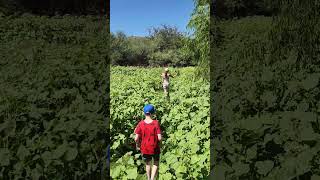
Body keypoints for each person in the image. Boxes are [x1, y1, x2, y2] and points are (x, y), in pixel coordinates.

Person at [134, 104, 162, 180]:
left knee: (148, 164)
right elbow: (159, 138)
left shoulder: (140, 124)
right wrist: (161, 145)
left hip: (145, 148)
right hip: (155, 147)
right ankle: (152, 179)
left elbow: (136, 138)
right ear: (153, 113)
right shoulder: (156, 123)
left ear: (144, 113)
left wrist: (137, 145)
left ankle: (149, 178)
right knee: (156, 163)